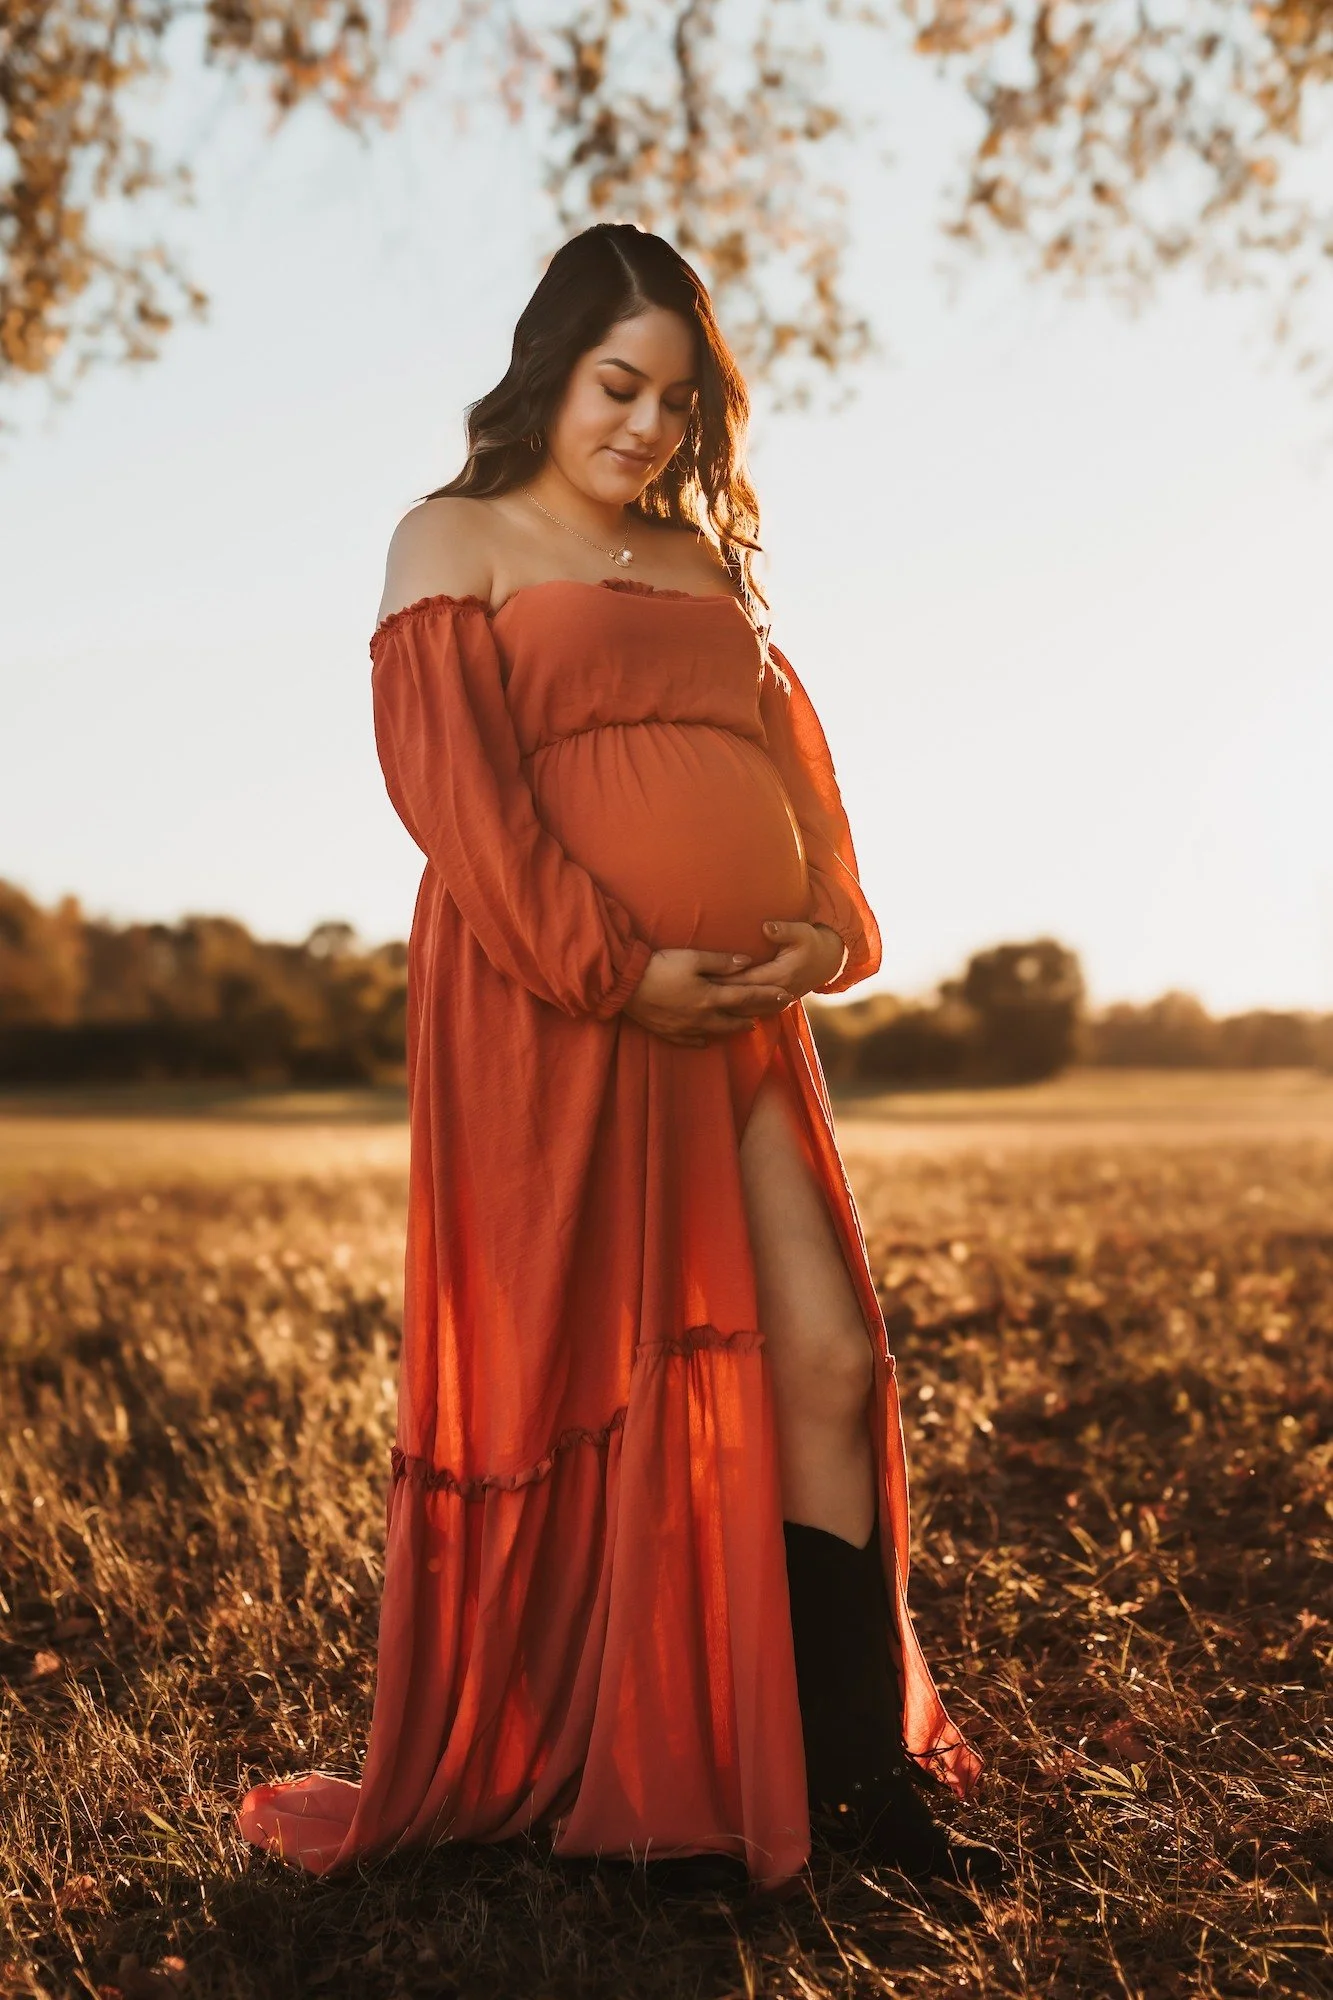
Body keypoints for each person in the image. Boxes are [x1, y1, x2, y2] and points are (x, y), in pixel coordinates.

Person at [237, 222, 1007, 1895]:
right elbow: (462, 804)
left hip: (733, 1025)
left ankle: (856, 1784)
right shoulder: (454, 538)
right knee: (588, 1380)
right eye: (617, 384)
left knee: (825, 1356)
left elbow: (791, 767)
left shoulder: (701, 564)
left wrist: (825, 922)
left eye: (677, 401)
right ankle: (613, 1751)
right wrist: (613, 966)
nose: (647, 428)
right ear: (548, 371)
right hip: (553, 1015)